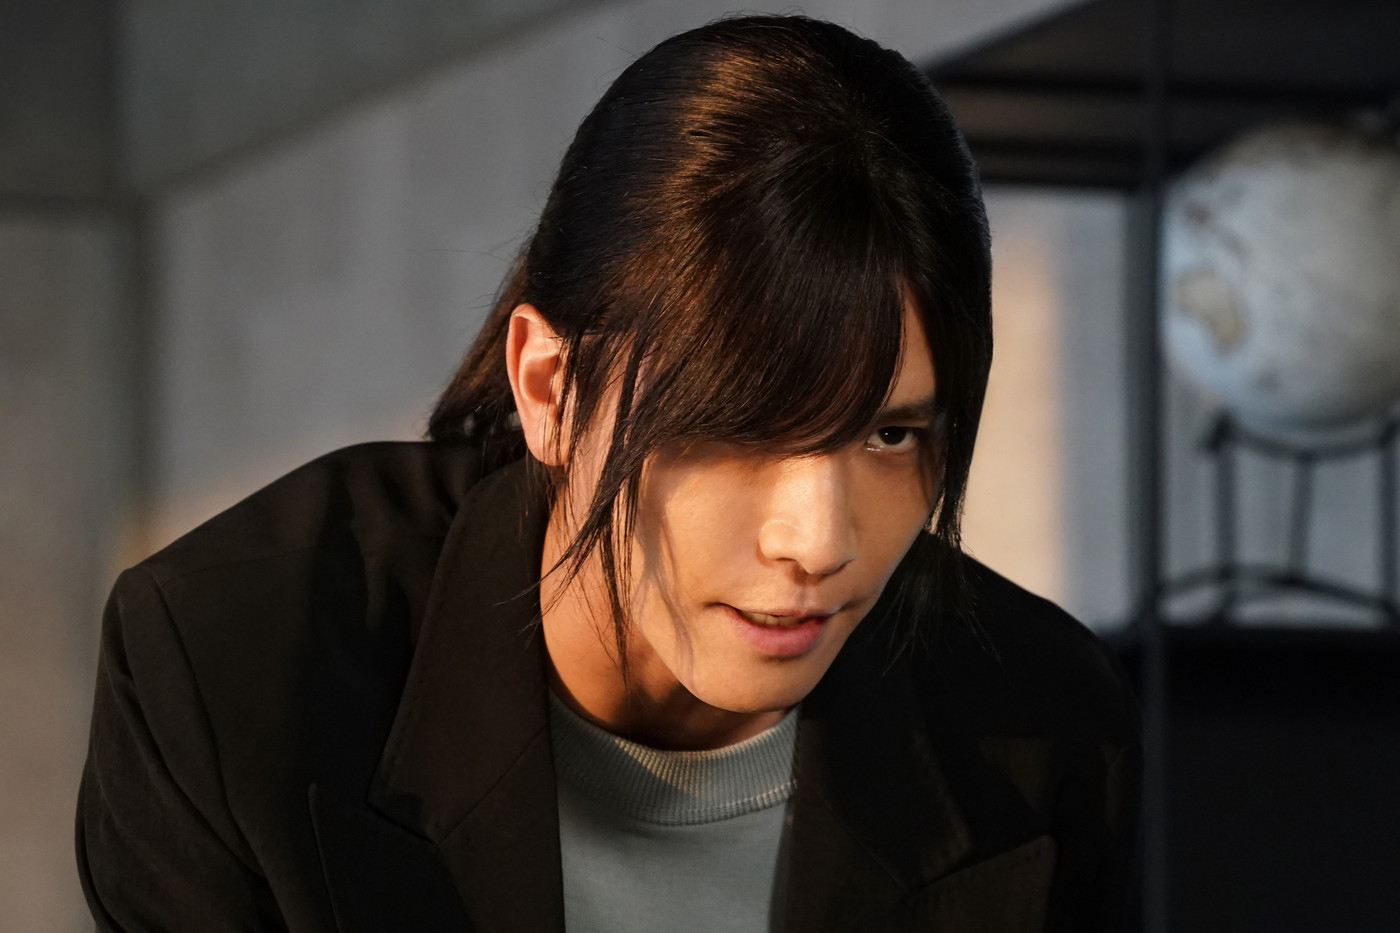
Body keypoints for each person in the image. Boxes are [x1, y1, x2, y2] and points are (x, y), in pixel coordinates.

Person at [75, 13, 1141, 933]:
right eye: (739, 429)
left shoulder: (1042, 728)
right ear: (549, 387)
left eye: (890, 436)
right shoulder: (239, 664)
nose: (817, 540)